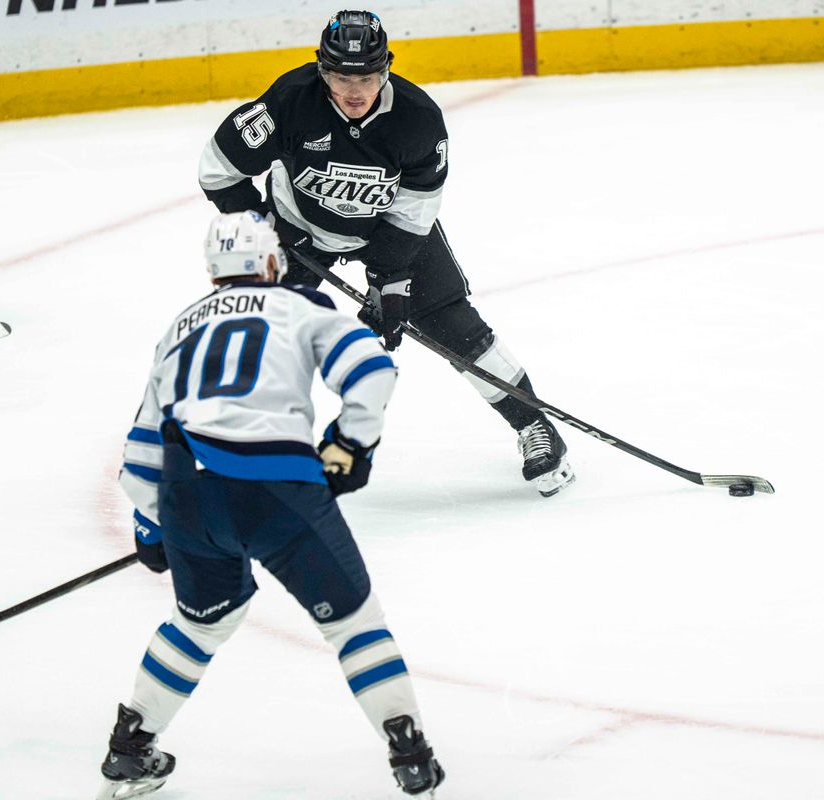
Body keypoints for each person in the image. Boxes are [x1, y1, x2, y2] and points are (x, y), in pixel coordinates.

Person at [99, 211, 444, 799]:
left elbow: (141, 448)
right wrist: (349, 445)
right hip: (275, 490)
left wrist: (152, 523)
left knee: (201, 621)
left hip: (189, 498)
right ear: (269, 262)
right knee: (355, 624)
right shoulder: (298, 307)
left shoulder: (177, 329)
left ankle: (129, 746)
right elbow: (372, 369)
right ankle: (409, 754)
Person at [198, 9, 575, 497]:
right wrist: (261, 224)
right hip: (299, 230)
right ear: (321, 70)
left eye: (368, 77)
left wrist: (389, 280)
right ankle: (242, 454)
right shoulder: (290, 101)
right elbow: (217, 167)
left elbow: (415, 212)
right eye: (340, 77)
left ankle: (533, 425)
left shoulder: (418, 120)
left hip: (390, 232)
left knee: (455, 327)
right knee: (263, 333)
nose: (355, 91)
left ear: (387, 70)